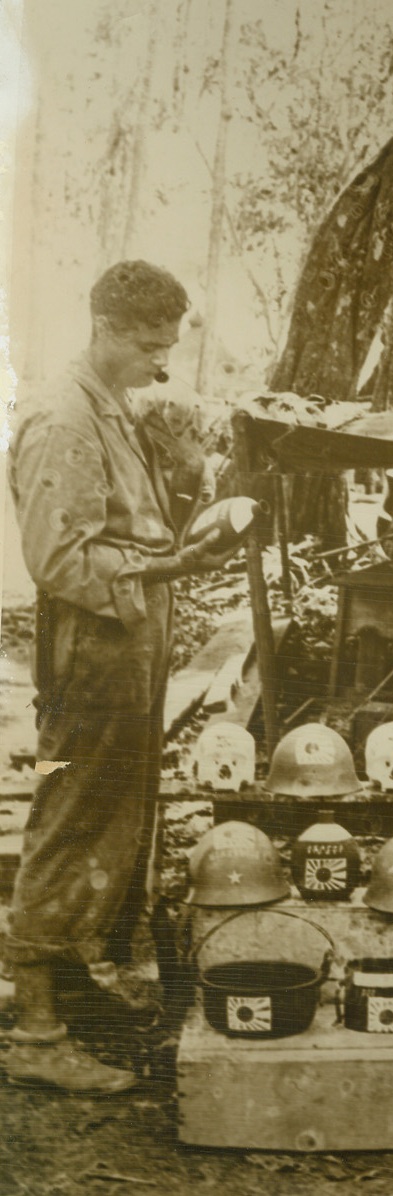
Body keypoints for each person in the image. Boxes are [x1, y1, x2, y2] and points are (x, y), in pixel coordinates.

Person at [3, 261, 236, 1094]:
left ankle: (70, 992)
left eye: (169, 346)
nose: (161, 365)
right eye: (149, 346)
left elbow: (121, 537)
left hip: (124, 655)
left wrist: (179, 542)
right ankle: (36, 1034)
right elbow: (61, 559)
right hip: (93, 657)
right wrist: (186, 559)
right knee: (72, 825)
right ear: (105, 326)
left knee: (109, 821)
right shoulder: (64, 418)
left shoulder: (110, 411)